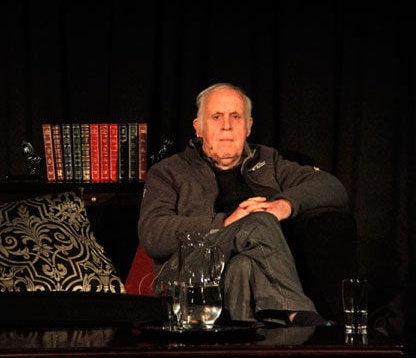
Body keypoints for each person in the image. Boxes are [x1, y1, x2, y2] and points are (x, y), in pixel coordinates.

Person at [137, 82, 350, 326]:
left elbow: (332, 187)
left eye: (236, 116)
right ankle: (302, 316)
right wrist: (226, 222)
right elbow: (152, 234)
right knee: (258, 221)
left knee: (244, 265)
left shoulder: (268, 161)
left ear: (248, 126)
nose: (227, 125)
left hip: (243, 275)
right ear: (199, 127)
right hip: (187, 276)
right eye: (216, 116)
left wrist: (283, 205)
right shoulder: (168, 171)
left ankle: (250, 340)